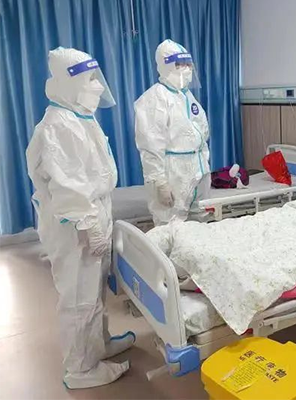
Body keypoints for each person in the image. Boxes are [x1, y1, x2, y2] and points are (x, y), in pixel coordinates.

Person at [26, 47, 134, 389]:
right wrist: (88, 225)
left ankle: (98, 345)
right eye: (90, 80)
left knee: (94, 289)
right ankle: (81, 369)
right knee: (78, 297)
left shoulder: (79, 118)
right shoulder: (59, 126)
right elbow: (68, 185)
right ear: (69, 83)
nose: (98, 87)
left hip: (92, 212)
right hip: (75, 225)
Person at [135, 39, 210, 226]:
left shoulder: (187, 96)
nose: (186, 69)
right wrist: (159, 182)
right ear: (165, 66)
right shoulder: (154, 99)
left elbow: (201, 134)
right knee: (170, 227)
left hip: (198, 171)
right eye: (179, 64)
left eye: (187, 64)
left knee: (200, 225)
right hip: (173, 173)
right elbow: (150, 146)